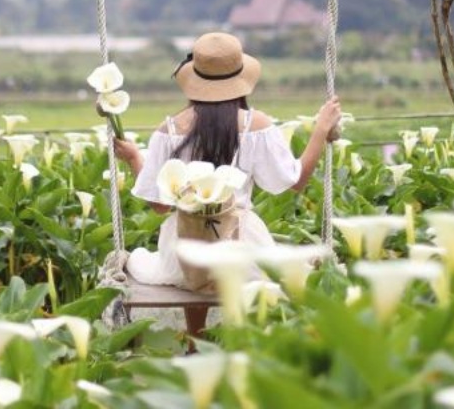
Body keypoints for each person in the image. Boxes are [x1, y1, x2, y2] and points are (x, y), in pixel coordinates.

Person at [113, 31, 342, 338]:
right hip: (243, 246)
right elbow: (295, 182)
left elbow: (159, 205)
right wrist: (320, 130)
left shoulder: (168, 130)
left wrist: (133, 159)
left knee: (190, 263)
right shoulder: (255, 125)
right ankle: (243, 341)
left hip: (184, 250)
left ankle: (196, 339)